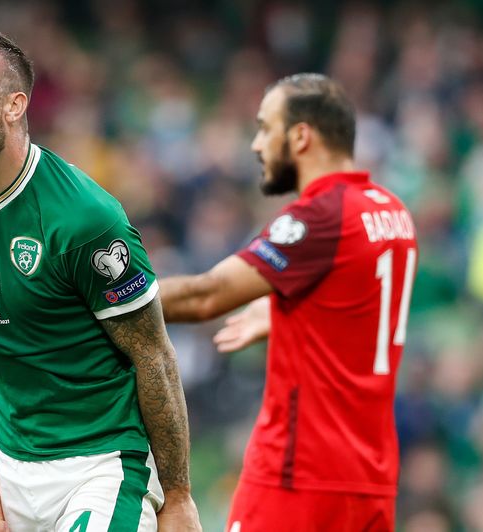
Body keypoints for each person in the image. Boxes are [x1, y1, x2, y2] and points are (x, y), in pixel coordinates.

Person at [0, 26, 201, 532]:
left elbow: (153, 355)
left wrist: (178, 497)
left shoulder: (85, 218)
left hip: (101, 466)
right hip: (14, 473)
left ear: (14, 106)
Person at [160, 73, 418, 531]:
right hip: (370, 477)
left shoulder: (319, 216)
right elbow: (353, 304)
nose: (257, 145)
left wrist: (98, 299)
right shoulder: (391, 211)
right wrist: (284, 312)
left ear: (300, 136)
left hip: (300, 476)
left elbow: (206, 296)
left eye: (265, 128)